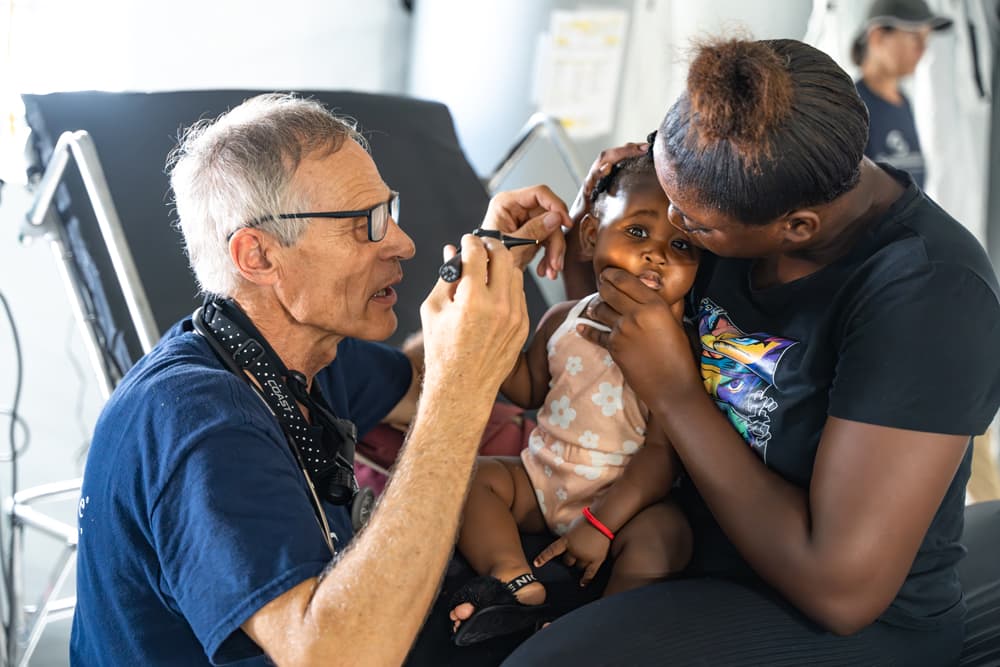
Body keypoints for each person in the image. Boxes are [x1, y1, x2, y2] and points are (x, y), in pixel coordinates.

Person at [503, 36, 1000, 666]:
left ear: (795, 229)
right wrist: (589, 232)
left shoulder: (930, 296)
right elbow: (603, 338)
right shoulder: (730, 181)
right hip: (676, 534)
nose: (673, 228)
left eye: (693, 226)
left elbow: (841, 593)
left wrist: (677, 394)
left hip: (842, 619)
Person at [69, 92, 572, 666]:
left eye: (391, 210)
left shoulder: (298, 354)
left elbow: (415, 379)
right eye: (366, 224)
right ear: (257, 256)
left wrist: (490, 261)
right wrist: (460, 391)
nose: (403, 244)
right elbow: (333, 657)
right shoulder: (197, 422)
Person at [447, 149, 697, 646]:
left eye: (683, 245)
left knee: (667, 538)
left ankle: (594, 635)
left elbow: (660, 457)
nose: (658, 254)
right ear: (590, 235)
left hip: (622, 503)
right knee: (474, 479)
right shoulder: (564, 319)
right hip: (543, 478)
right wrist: (484, 307)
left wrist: (600, 525)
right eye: (639, 232)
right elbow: (525, 389)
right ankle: (513, 580)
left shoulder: (677, 347)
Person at [851, 0, 953, 189]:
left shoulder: (904, 103)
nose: (923, 48)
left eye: (926, 38)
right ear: (877, 37)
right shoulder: (850, 105)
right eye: (915, 36)